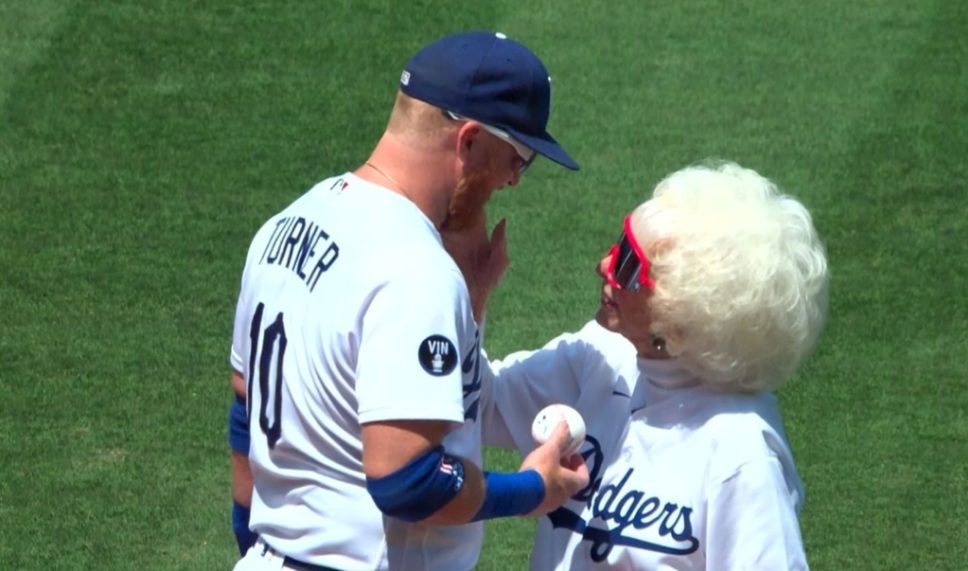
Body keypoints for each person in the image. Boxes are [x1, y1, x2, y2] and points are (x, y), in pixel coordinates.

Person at [226, 31, 589, 571]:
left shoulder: (287, 223)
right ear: (467, 141)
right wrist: (533, 487)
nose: (514, 178)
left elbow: (245, 417)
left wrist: (472, 306)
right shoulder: (415, 270)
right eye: (519, 155)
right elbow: (408, 482)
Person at [468, 161, 829, 569]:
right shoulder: (602, 356)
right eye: (619, 243)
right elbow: (480, 403)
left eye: (627, 263)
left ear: (682, 309)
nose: (603, 264)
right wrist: (471, 299)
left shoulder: (740, 454)